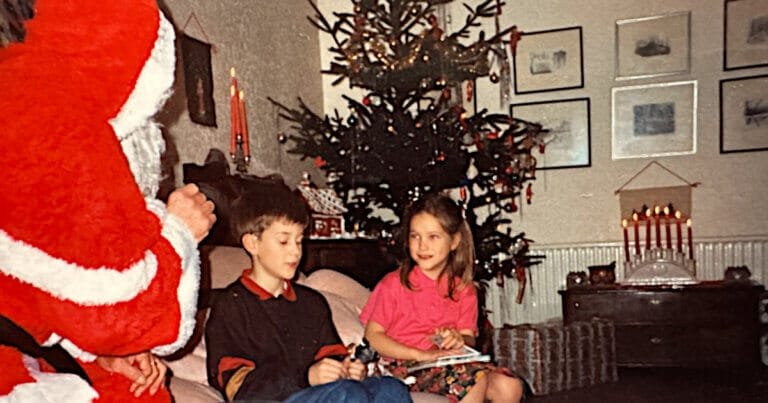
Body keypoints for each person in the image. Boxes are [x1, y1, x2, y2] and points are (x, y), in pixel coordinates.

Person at [0, 1, 216, 402]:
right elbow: (122, 314)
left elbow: (33, 291)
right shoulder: (51, 119)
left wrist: (97, 355)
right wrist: (180, 233)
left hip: (30, 352)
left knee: (136, 390)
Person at [205, 183, 411, 402]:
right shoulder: (230, 305)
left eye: (299, 241)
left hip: (323, 394)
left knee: (390, 388)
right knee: (347, 393)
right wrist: (306, 376)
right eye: (284, 241)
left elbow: (332, 357)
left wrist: (347, 369)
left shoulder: (312, 302)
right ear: (252, 243)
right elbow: (237, 386)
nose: (295, 251)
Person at [360, 193, 525, 402]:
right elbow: (373, 336)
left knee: (509, 385)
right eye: (415, 236)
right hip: (403, 365)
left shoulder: (464, 290)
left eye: (433, 237)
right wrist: (418, 354)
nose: (422, 246)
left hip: (445, 363)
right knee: (474, 379)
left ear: (454, 241)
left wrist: (459, 339)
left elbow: (468, 337)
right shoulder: (393, 284)